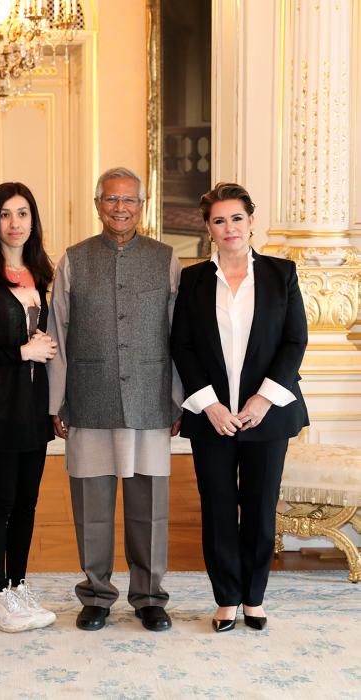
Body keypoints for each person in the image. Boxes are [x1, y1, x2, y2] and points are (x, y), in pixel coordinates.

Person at [47, 167, 182, 633]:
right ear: (97, 203)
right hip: (90, 396)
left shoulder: (165, 259)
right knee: (93, 505)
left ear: (141, 206)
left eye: (129, 200)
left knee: (150, 506)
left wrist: (177, 399)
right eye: (111, 199)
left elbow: (179, 335)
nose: (120, 207)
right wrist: (56, 401)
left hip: (150, 398)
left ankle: (149, 596)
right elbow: (57, 333)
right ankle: (97, 595)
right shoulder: (74, 259)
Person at [170, 182, 308, 632]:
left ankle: (254, 597)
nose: (228, 227)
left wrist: (263, 398)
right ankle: (226, 597)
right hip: (213, 416)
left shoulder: (280, 274)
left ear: (251, 221)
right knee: (217, 507)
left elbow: (294, 340)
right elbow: (183, 347)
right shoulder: (192, 280)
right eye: (218, 220)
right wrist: (209, 406)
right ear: (208, 228)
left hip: (266, 414)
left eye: (236, 218)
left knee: (260, 505)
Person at [0, 182, 57, 633]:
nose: (15, 223)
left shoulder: (43, 274)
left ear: (33, 221)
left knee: (28, 501)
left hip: (35, 408)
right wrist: (22, 351)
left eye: (23, 213)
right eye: (5, 214)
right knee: (0, 500)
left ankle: (18, 586)